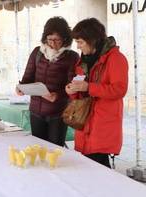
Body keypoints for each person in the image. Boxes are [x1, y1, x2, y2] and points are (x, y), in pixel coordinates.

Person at [66, 18, 128, 168]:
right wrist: (72, 90)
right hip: (85, 120)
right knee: (88, 168)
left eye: (80, 42)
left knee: (98, 167)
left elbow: (119, 90)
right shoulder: (83, 61)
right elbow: (81, 89)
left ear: (91, 40)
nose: (78, 46)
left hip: (103, 122)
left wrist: (89, 87)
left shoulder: (116, 59)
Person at [17, 17, 79, 146]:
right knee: (38, 148)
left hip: (58, 112)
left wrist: (57, 95)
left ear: (65, 39)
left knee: (56, 150)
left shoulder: (71, 57)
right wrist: (20, 87)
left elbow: (72, 86)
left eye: (57, 40)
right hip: (36, 111)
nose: (53, 44)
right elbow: (27, 77)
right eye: (50, 39)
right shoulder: (37, 52)